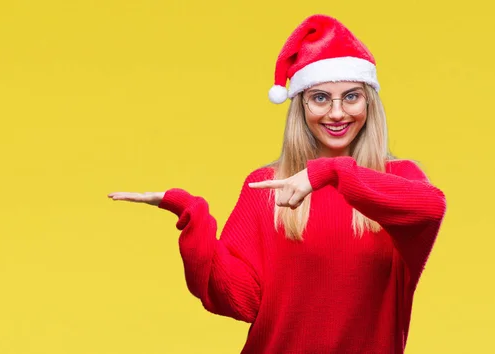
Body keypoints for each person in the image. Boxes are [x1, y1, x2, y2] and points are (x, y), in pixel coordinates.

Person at [108, 14, 447, 354]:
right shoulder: (268, 185)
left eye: (351, 97)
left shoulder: (398, 179)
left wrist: (329, 173)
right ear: (300, 105)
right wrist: (192, 215)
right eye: (320, 98)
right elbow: (238, 300)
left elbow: (431, 208)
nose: (337, 113)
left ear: (369, 102)